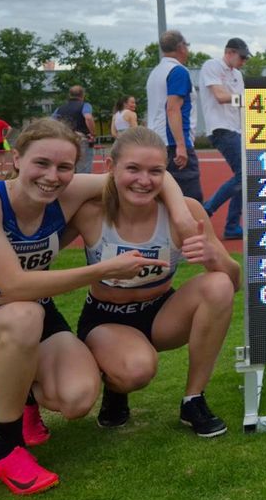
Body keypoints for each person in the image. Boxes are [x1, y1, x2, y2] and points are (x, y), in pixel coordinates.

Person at [0, 119, 180, 497]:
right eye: (42, 163)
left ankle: (28, 399)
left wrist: (180, 216)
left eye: (65, 167)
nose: (52, 176)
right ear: (17, 158)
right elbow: (15, 287)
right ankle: (8, 450)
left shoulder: (65, 194)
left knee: (77, 399)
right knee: (24, 312)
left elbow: (149, 178)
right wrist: (103, 270)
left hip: (40, 320)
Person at [74, 127, 240, 437]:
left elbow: (235, 281)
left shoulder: (185, 213)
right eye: (133, 169)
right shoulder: (89, 212)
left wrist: (213, 257)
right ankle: (115, 385)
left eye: (155, 171)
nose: (144, 180)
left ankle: (193, 400)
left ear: (166, 175)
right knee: (136, 370)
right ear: (111, 168)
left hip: (161, 315)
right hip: (106, 319)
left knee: (218, 284)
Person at [199, 37, 251, 239]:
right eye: (242, 57)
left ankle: (231, 227)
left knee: (244, 177)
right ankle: (207, 210)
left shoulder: (237, 74)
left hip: (235, 129)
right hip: (220, 129)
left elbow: (241, 103)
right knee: (243, 174)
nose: (244, 62)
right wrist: (247, 98)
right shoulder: (212, 66)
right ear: (229, 53)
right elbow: (220, 97)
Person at [147, 30, 204, 201]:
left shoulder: (156, 72)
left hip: (156, 142)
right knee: (190, 200)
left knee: (164, 198)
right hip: (173, 144)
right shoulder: (178, 71)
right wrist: (181, 145)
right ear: (181, 47)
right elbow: (172, 108)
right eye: (186, 45)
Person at [53, 85, 97, 173]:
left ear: (70, 95)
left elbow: (52, 122)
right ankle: (83, 185)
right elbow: (88, 117)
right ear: (83, 95)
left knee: (67, 166)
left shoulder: (59, 109)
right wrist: (92, 133)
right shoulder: (85, 105)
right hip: (80, 138)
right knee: (84, 167)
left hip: (65, 139)